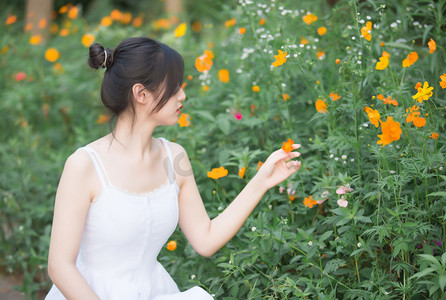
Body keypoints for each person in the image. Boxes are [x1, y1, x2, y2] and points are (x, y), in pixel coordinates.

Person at [45, 37, 302, 300]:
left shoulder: (174, 157)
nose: (183, 95)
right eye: (174, 86)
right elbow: (60, 266)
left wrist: (262, 181)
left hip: (154, 291)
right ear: (141, 94)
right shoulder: (85, 164)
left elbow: (206, 239)